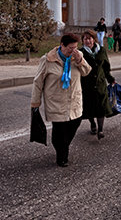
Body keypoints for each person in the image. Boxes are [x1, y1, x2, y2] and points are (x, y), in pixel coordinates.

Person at [30, 33, 92, 167]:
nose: (73, 50)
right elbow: (38, 82)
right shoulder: (47, 60)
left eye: (75, 47)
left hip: (74, 100)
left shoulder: (77, 56)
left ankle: (62, 146)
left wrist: (80, 60)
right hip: (56, 102)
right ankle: (62, 156)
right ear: (62, 45)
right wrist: (35, 103)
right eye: (70, 48)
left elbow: (87, 71)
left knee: (75, 124)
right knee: (60, 131)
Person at [78, 30, 118, 140]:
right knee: (90, 107)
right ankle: (92, 124)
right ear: (83, 41)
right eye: (85, 39)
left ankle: (100, 129)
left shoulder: (102, 51)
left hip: (100, 83)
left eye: (90, 38)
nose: (88, 41)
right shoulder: (80, 53)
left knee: (101, 106)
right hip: (86, 84)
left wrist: (110, 79)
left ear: (94, 39)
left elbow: (105, 67)